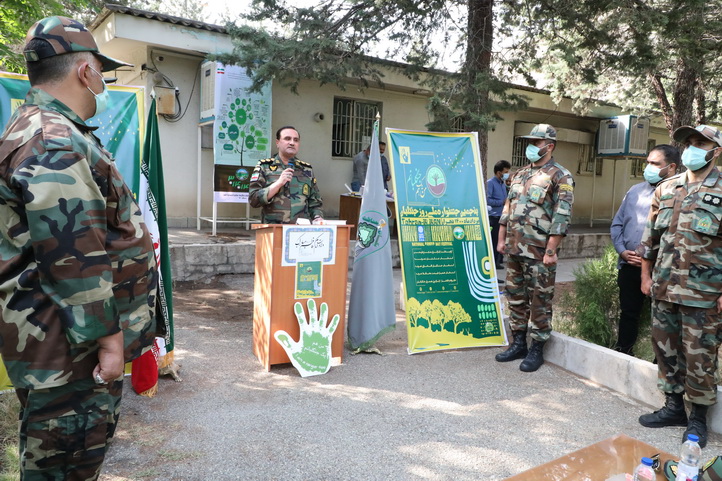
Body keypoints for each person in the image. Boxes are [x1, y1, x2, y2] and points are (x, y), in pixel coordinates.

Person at [0, 16, 158, 480]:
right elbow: (71, 253)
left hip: (59, 339)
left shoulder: (42, 128)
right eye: (102, 72)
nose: (102, 83)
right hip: (70, 348)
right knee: (67, 465)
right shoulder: (53, 138)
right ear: (85, 71)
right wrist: (107, 340)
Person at [638, 124, 722, 448]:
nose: (692, 148)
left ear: (716, 151)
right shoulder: (666, 188)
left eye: (701, 143)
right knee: (666, 349)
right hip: (663, 287)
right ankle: (673, 407)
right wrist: (645, 277)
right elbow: (650, 240)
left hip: (704, 294)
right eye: (689, 142)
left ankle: (698, 418)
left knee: (700, 356)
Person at [494, 124, 575, 372]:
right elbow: (507, 208)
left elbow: (562, 216)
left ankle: (537, 348)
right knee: (515, 297)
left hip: (539, 251)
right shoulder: (520, 174)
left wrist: (551, 250)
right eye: (529, 141)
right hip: (514, 249)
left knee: (540, 300)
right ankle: (518, 343)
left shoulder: (560, 176)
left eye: (536, 142)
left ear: (549, 146)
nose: (530, 146)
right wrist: (501, 239)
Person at [610, 145, 679, 356]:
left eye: (655, 164)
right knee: (628, 313)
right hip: (629, 265)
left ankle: (661, 363)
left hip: (661, 271)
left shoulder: (680, 194)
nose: (648, 167)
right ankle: (624, 353)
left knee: (663, 320)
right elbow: (617, 224)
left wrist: (651, 260)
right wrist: (622, 251)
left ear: (671, 167)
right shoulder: (635, 191)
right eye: (647, 162)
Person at [249, 126, 324, 224]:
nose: (292, 143)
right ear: (277, 143)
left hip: (300, 230)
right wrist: (278, 184)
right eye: (287, 138)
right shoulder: (264, 167)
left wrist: (317, 217)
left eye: (296, 140)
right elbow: (254, 200)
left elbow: (315, 203)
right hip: (273, 229)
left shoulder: (306, 170)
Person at [486, 160, 511, 270]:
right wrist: (501, 202)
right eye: (505, 172)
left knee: (500, 241)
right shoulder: (490, 183)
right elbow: (487, 200)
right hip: (494, 217)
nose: (507, 174)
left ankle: (497, 261)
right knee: (494, 241)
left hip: (502, 217)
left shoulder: (503, 184)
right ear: (498, 172)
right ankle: (492, 264)